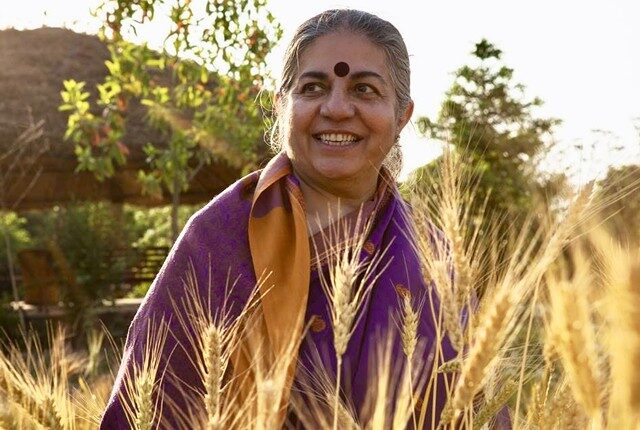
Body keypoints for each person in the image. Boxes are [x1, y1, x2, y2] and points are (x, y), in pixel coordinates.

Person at [101, 9, 482, 429]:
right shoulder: (218, 240)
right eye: (313, 87)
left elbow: (478, 409)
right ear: (282, 106)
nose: (337, 108)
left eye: (365, 89)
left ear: (402, 116)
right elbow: (146, 407)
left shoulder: (437, 260)